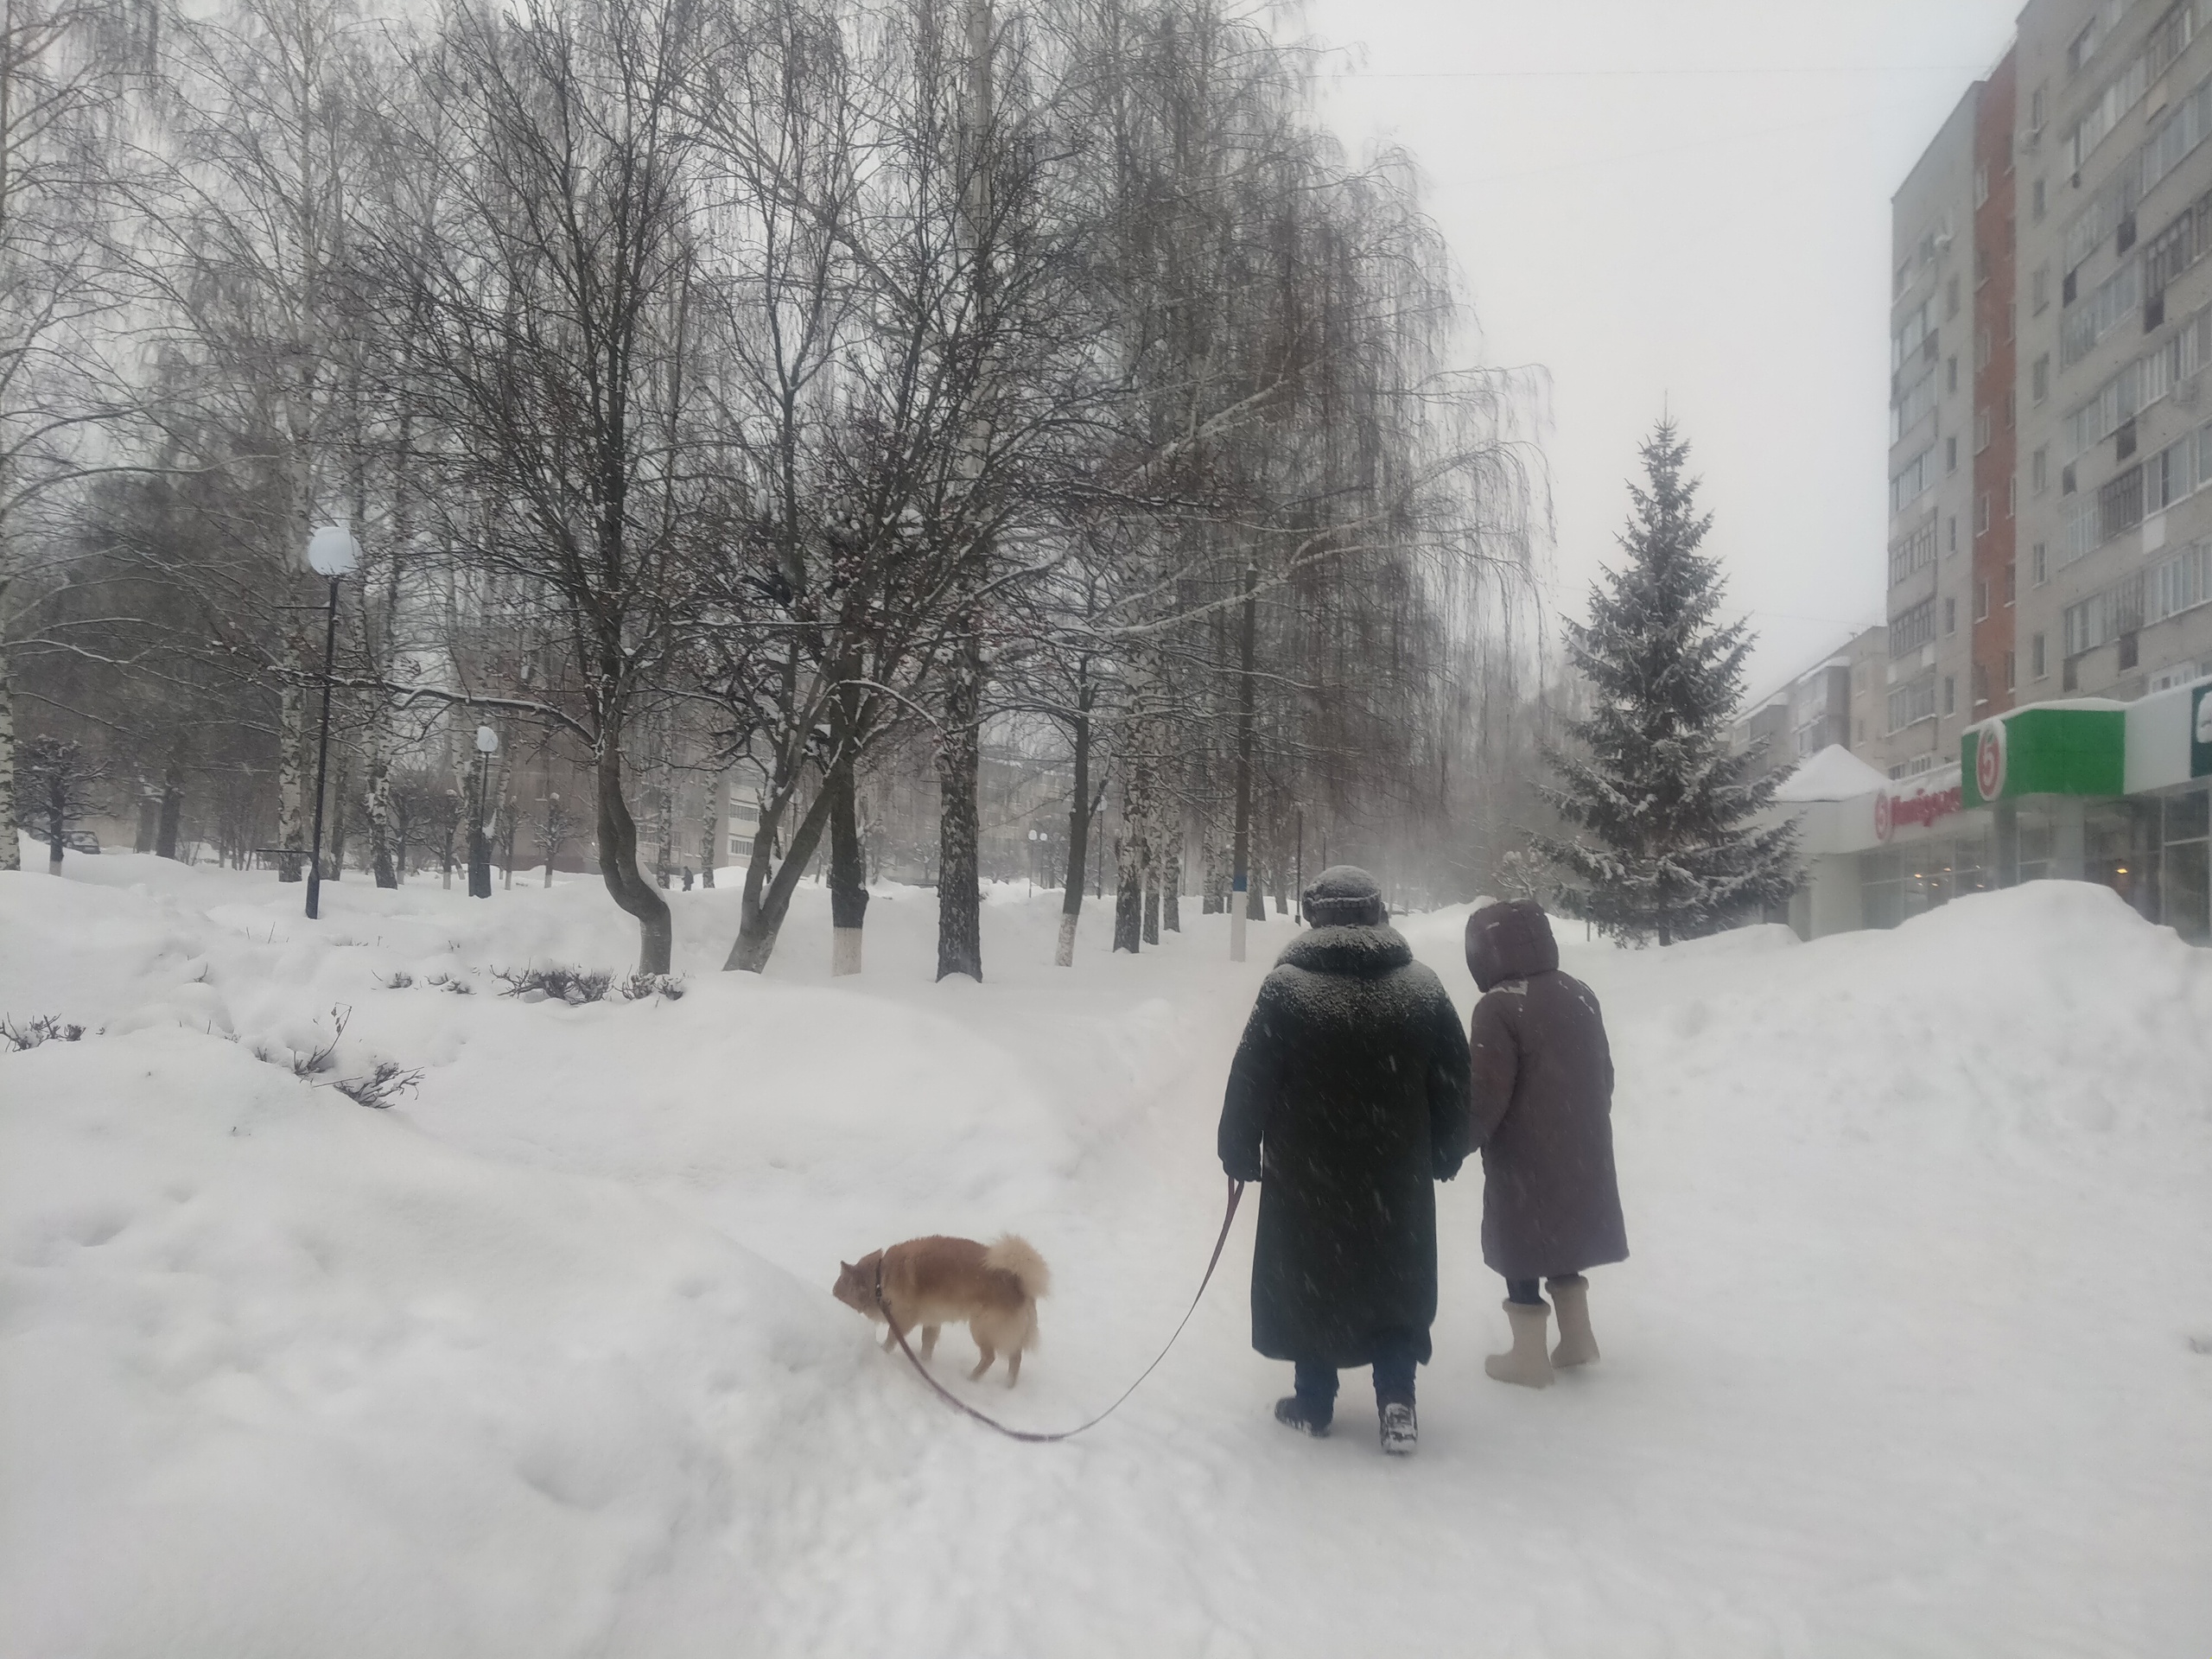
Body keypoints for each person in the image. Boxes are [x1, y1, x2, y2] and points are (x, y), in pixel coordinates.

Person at [1218, 866, 1471, 1454]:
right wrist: (1445, 1151)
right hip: (1395, 1175)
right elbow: (1456, 1079)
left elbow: (1249, 1079)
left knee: (1313, 1282)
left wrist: (1239, 1151)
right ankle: (1397, 1403)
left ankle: (1313, 1402)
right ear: (1377, 911)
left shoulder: (1288, 990)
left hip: (1309, 1178)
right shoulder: (1421, 988)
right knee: (1394, 1286)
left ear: (1315, 916)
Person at [1463, 899, 1628, 1389]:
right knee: (1563, 1228)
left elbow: (1486, 1092)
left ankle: (1528, 1357)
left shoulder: (1498, 1006)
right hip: (1582, 1140)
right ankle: (1577, 1338)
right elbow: (1605, 1073)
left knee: (1523, 1239)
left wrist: (1459, 1140)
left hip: (1524, 1149)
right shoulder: (1581, 993)